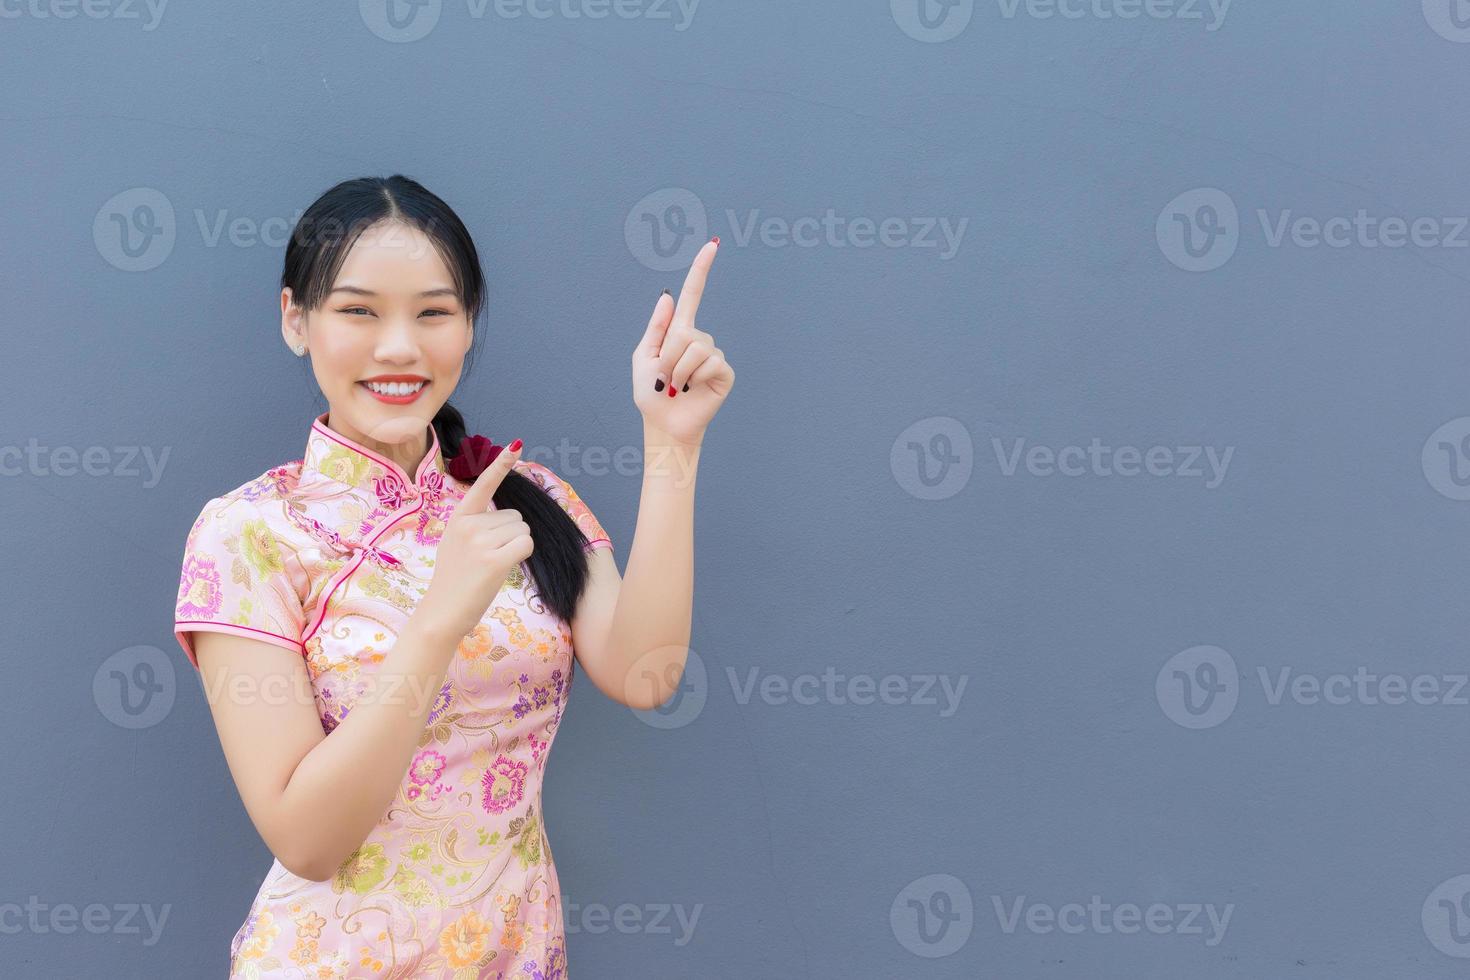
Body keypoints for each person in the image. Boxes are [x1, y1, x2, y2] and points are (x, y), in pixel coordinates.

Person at [171, 175, 734, 976]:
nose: (399, 347)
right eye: (358, 311)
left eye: (433, 312)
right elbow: (307, 839)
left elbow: (646, 676)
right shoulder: (250, 535)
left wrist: (673, 445)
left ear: (469, 325)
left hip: (512, 956)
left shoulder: (526, 500)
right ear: (296, 320)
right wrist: (438, 621)